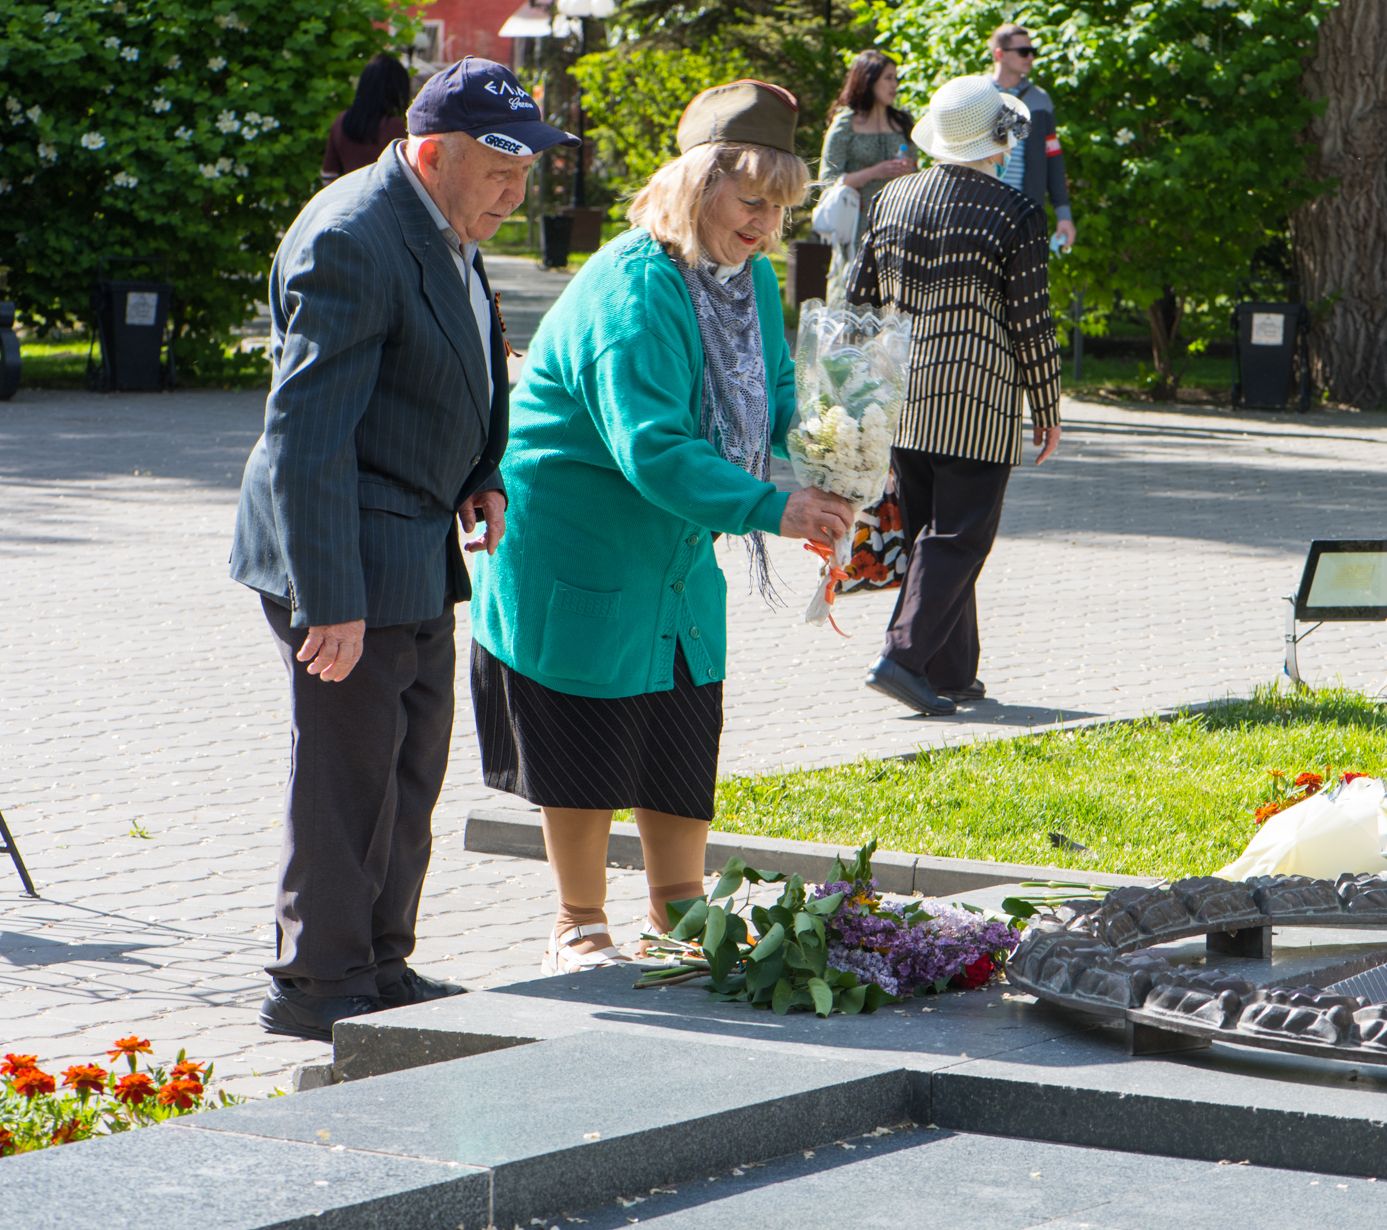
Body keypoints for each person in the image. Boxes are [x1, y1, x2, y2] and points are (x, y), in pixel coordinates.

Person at [468, 80, 853, 974]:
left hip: (673, 554)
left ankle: (680, 911)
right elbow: (656, 448)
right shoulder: (634, 286)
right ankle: (578, 918)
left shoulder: (748, 279)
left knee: (680, 718)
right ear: (694, 184)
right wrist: (777, 506)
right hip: (577, 545)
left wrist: (842, 450)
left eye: (780, 207)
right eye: (750, 201)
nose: (765, 226)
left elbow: (779, 401)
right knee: (585, 729)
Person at [231, 57, 577, 1043]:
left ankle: (381, 964)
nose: (516, 199)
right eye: (500, 178)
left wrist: (485, 469)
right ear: (432, 154)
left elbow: (460, 354)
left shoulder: (442, 216)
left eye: (524, 178)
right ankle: (317, 985)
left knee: (408, 772)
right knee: (350, 779)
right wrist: (327, 596)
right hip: (344, 544)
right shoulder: (352, 238)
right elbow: (308, 437)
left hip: (415, 530)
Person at [851, 75, 1061, 717]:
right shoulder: (1014, 212)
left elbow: (860, 299)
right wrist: (1047, 410)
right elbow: (1031, 321)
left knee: (928, 537)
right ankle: (903, 657)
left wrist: (858, 392)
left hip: (903, 396)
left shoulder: (892, 199)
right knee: (959, 538)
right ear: (996, 139)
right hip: (977, 400)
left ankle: (950, 670)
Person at [819, 50, 918, 305]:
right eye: (888, 78)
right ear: (868, 80)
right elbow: (828, 181)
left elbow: (918, 175)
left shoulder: (903, 122)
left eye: (896, 78)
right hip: (857, 228)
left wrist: (910, 170)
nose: (895, 85)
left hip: (899, 223)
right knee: (851, 301)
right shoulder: (845, 123)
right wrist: (874, 172)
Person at [987, 24, 1075, 251]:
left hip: (1023, 212)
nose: (1031, 56)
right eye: (1023, 51)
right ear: (1000, 54)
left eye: (1032, 50)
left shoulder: (1040, 99)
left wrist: (1063, 214)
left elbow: (1053, 157)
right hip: (980, 209)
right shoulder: (977, 93)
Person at [321, 54, 413, 183]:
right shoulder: (394, 126)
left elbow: (328, 174)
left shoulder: (341, 121)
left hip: (349, 197)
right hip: (383, 200)